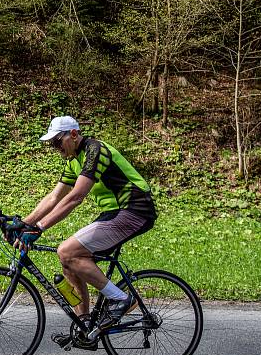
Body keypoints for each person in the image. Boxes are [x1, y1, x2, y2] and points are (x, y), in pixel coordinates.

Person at [11, 116, 157, 326]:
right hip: (114, 212)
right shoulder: (74, 160)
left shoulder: (94, 151)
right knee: (69, 263)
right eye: (52, 145)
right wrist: (24, 224)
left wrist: (40, 227)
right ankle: (85, 325)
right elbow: (54, 197)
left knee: (67, 251)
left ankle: (122, 299)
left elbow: (76, 197)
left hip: (135, 209)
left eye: (57, 142)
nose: (55, 148)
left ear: (73, 134)